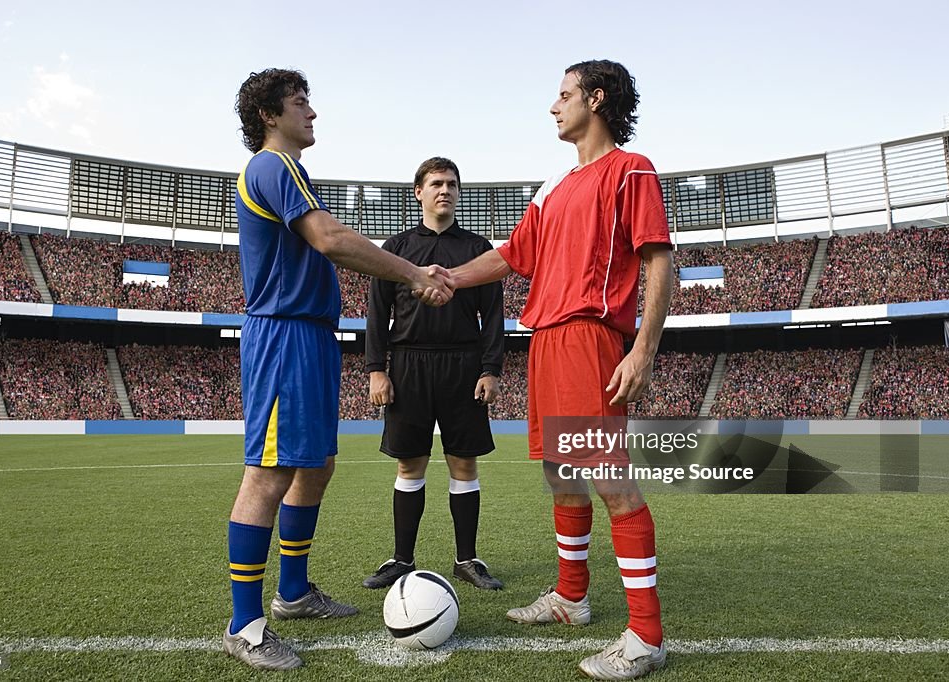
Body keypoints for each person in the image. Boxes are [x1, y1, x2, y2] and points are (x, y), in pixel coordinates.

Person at [445, 60, 675, 680]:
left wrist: (642, 350)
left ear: (596, 100)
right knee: (561, 472)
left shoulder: (632, 170)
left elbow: (659, 263)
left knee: (610, 480)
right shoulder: (553, 187)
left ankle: (646, 636)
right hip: (545, 336)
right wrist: (443, 278)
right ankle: (571, 597)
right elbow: (511, 257)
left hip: (590, 337)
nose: (554, 105)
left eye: (565, 94)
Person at [223, 68, 453, 672]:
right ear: (270, 115)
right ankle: (244, 625)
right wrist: (411, 273)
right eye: (302, 104)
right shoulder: (272, 167)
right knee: (268, 473)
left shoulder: (291, 172)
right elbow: (329, 238)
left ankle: (293, 594)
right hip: (283, 337)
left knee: (316, 466)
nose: (313, 114)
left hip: (313, 339)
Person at [362, 157, 505, 592]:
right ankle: (401, 559)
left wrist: (491, 369)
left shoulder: (478, 248)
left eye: (452, 184)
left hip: (463, 366)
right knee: (410, 464)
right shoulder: (396, 248)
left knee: (464, 462)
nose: (445, 190)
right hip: (407, 366)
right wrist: (375, 371)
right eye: (436, 183)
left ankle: (468, 560)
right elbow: (376, 313)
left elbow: (493, 315)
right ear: (418, 192)